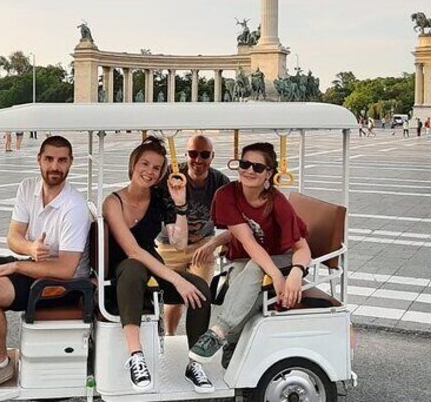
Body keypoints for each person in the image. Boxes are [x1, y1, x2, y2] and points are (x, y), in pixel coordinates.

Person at [0, 136, 90, 395]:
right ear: (39, 159)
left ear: (71, 163)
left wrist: (17, 266)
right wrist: (30, 249)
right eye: (49, 159)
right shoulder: (28, 188)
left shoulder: (74, 206)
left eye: (62, 160)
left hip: (62, 284)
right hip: (37, 264)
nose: (54, 167)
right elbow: (14, 237)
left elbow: (66, 270)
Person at [102, 136, 213, 393]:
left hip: (152, 268)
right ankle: (136, 356)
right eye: (145, 164)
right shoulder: (113, 202)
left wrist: (180, 205)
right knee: (132, 267)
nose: (149, 172)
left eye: (156, 168)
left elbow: (178, 244)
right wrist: (177, 279)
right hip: (122, 274)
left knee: (199, 289)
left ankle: (195, 362)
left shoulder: (159, 199)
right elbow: (132, 251)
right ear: (133, 164)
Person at [189, 142, 311, 372]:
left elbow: (302, 248)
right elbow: (245, 236)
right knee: (239, 282)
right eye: (245, 164)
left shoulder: (278, 202)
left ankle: (218, 333)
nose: (249, 171)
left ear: (269, 174)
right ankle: (233, 342)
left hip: (283, 260)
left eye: (258, 167)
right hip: (246, 259)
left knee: (256, 267)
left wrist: (294, 273)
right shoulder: (227, 194)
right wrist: (214, 241)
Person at [157, 135, 230, 337]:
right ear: (186, 154)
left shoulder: (220, 182)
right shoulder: (171, 177)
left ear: (212, 157)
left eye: (204, 155)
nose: (198, 160)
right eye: (193, 154)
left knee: (199, 295)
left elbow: (230, 220)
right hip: (169, 244)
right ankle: (171, 337)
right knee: (174, 297)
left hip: (203, 244)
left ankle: (195, 347)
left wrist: (218, 245)